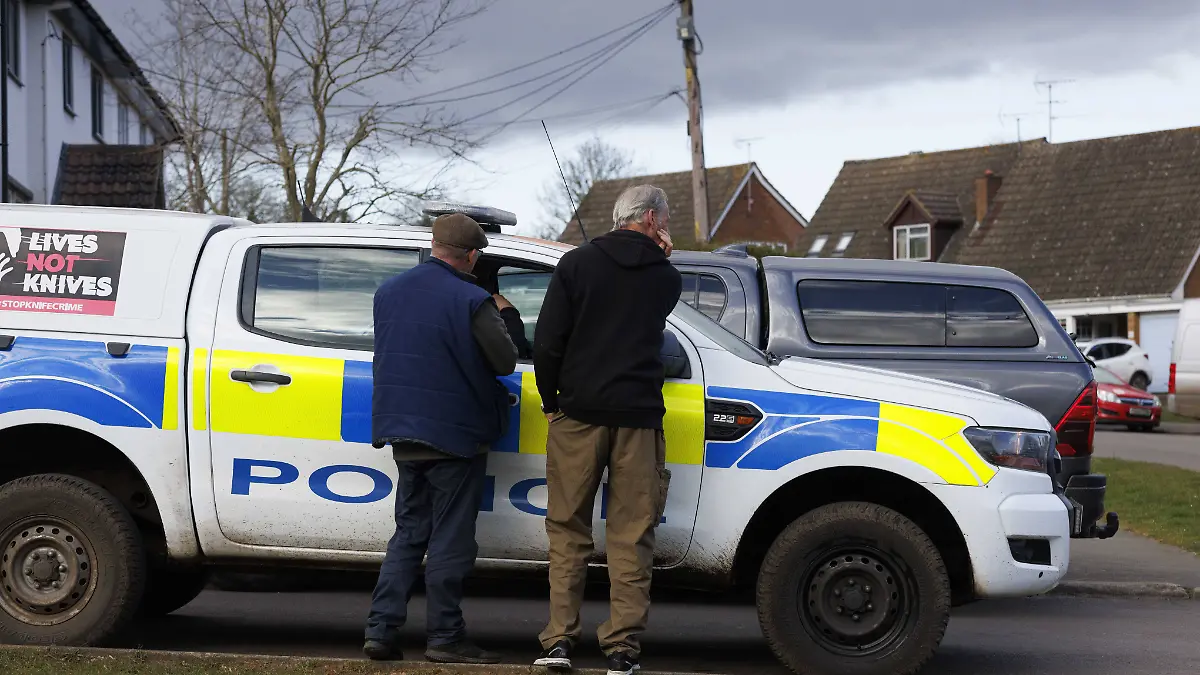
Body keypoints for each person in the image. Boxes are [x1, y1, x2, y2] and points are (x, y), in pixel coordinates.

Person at [532, 185, 681, 674]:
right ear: (653, 219)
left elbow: (549, 341)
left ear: (620, 218)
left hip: (578, 415)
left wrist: (552, 401)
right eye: (665, 218)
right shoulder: (667, 277)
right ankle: (621, 647)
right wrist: (660, 255)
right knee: (632, 533)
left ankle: (558, 641)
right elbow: (652, 307)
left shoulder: (575, 264)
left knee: (568, 528)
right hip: (638, 417)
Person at [363, 213, 519, 664]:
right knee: (451, 536)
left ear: (434, 246)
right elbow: (505, 361)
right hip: (454, 433)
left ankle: (380, 630)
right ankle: (445, 637)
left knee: (409, 532)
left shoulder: (387, 292)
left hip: (402, 431)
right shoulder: (471, 299)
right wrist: (503, 311)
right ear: (471, 255)